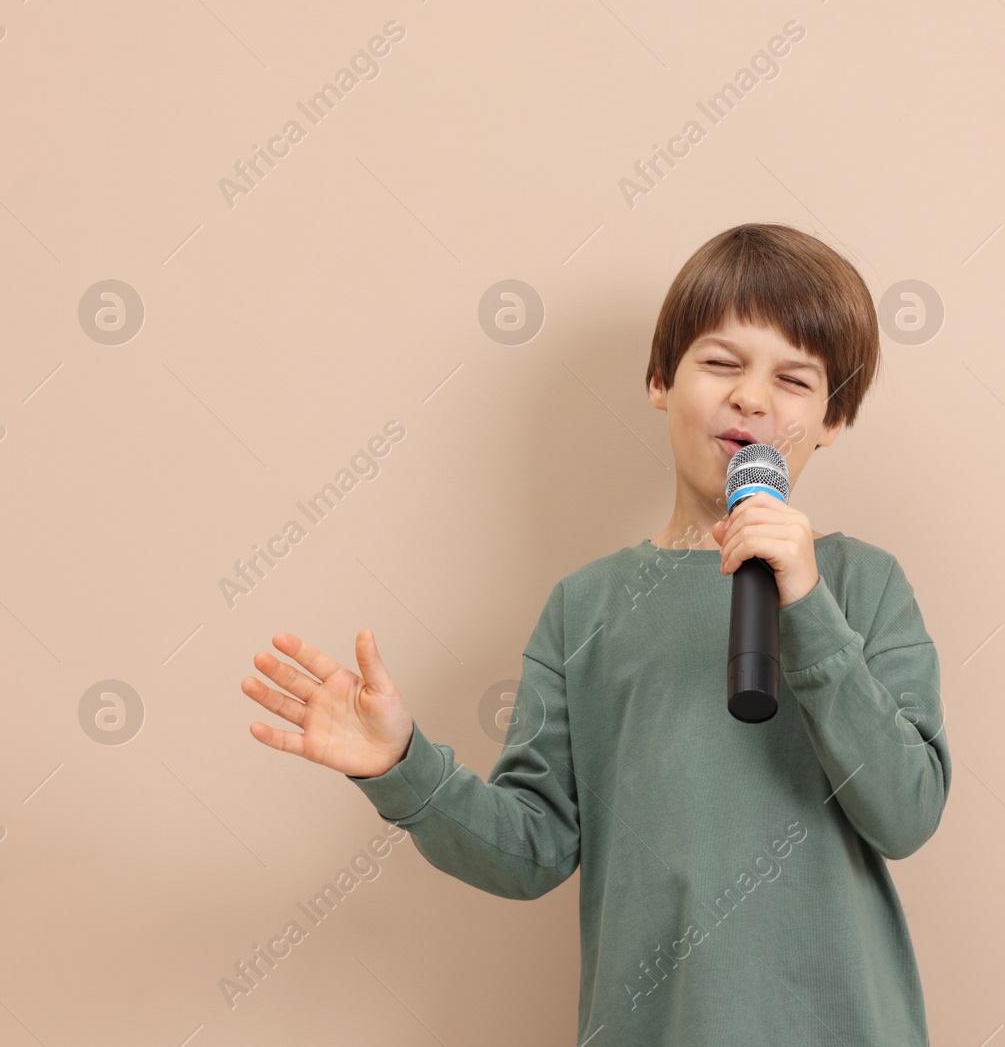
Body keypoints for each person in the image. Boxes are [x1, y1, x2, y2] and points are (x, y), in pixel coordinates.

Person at [240, 222, 953, 1045]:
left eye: (794, 379)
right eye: (722, 363)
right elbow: (531, 847)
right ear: (659, 379)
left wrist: (808, 606)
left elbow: (907, 811)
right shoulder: (584, 609)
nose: (753, 398)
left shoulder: (864, 585)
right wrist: (405, 768)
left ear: (833, 418)